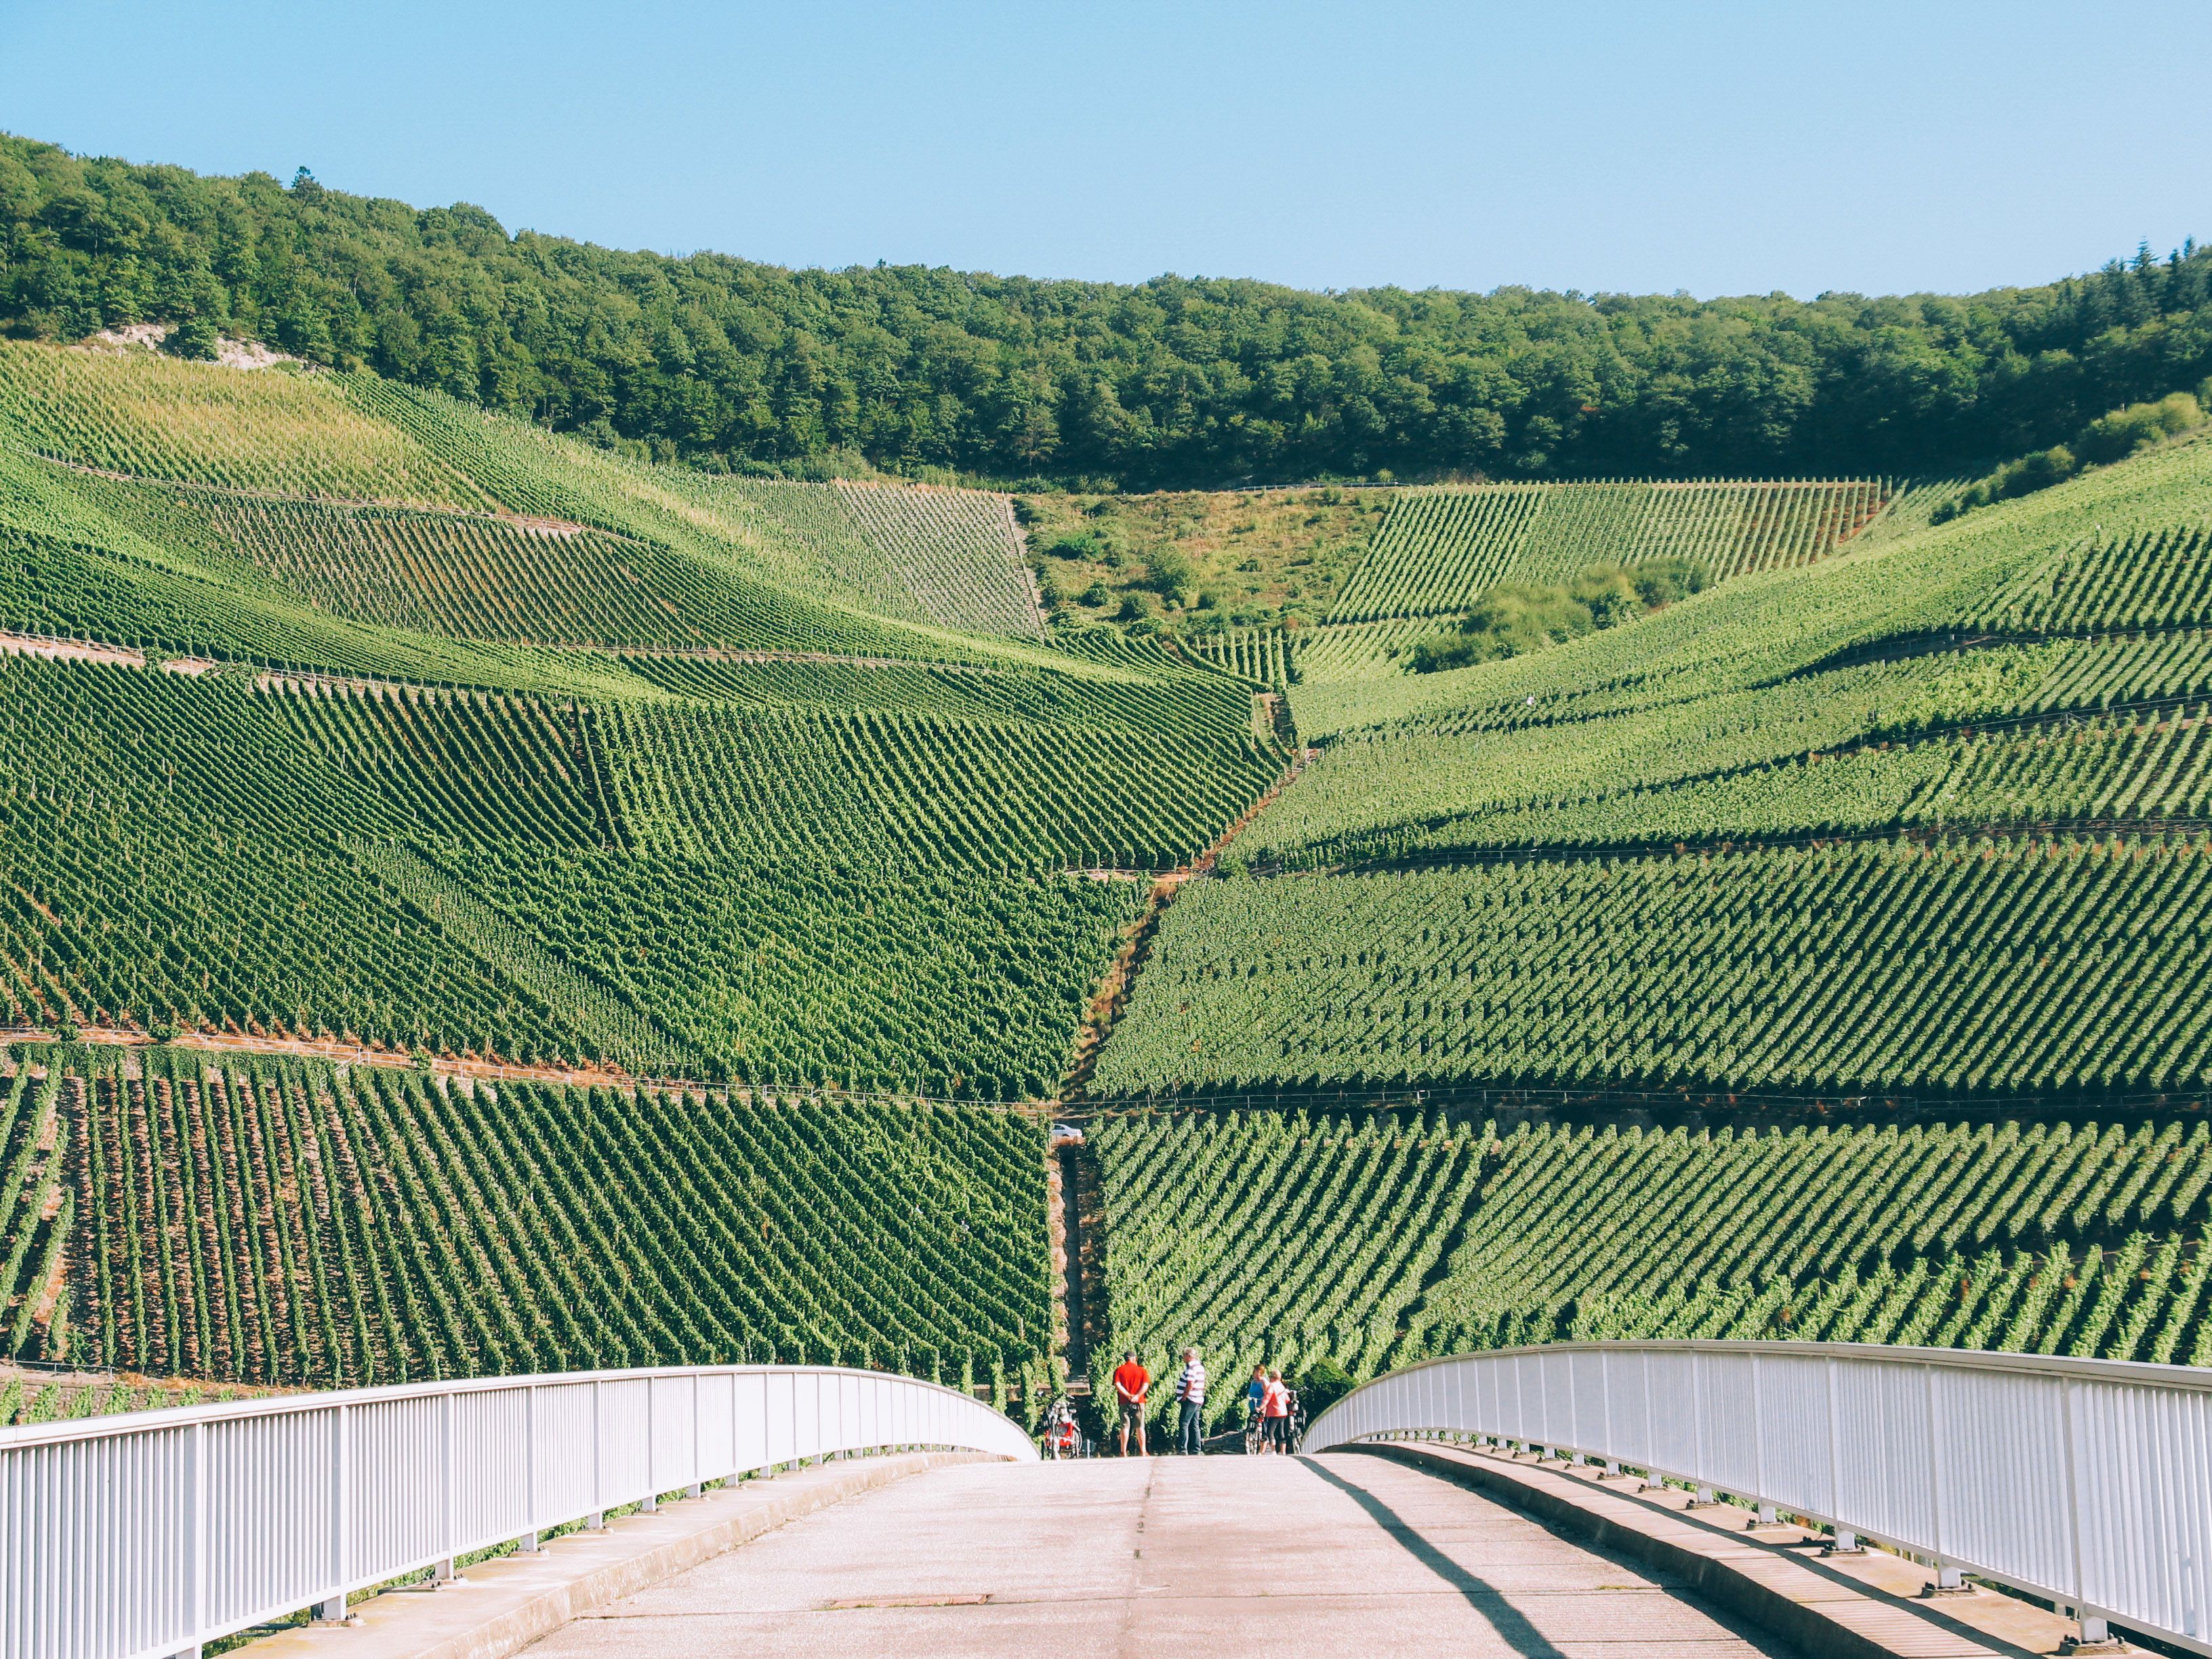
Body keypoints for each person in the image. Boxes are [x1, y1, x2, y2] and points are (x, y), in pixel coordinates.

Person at [1111, 1350, 1150, 1457]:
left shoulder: (1119, 1370)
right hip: (1139, 1402)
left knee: (1125, 1426)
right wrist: (1137, 1396)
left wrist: (1128, 1395)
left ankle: (1123, 1451)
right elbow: (1145, 1385)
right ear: (1134, 1358)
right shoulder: (1142, 1370)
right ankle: (1143, 1451)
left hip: (1124, 1401)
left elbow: (1118, 1385)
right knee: (1140, 1426)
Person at [1174, 1346, 1207, 1455]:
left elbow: (1190, 1384)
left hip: (1191, 1399)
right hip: (1198, 1398)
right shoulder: (1200, 1367)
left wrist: (1184, 1396)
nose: (1183, 1358)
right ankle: (1196, 1449)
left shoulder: (1192, 1368)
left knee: (1184, 1423)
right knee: (1194, 1424)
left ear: (1188, 1356)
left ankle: (1183, 1449)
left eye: (1184, 1356)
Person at [1262, 1368, 1293, 1453]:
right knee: (1281, 1432)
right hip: (1283, 1412)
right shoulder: (1281, 1386)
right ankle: (1283, 1452)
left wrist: (1261, 1407)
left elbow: (1267, 1398)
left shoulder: (1271, 1386)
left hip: (1274, 1412)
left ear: (1272, 1377)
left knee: (1270, 1432)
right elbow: (1287, 1400)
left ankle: (1273, 1450)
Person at [1245, 1364, 1269, 1453]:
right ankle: (1249, 1434)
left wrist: (1263, 1407)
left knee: (1263, 1427)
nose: (1255, 1373)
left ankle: (1262, 1449)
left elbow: (1267, 1396)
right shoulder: (1253, 1382)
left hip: (1261, 1406)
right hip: (1253, 1405)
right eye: (1255, 1371)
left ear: (1261, 1373)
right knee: (1251, 1421)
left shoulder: (1264, 1382)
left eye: (1257, 1372)